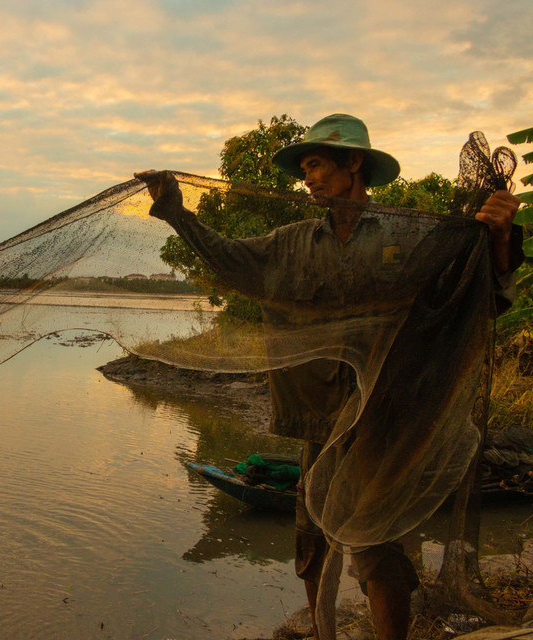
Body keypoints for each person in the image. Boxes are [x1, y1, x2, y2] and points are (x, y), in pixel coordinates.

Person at [136, 113, 521, 640]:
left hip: (387, 420)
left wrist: (498, 242)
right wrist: (176, 212)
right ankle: (322, 634)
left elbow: (477, 301)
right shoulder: (291, 243)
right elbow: (231, 261)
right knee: (312, 543)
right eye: (305, 169)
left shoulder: (410, 235)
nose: (308, 178)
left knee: (379, 550)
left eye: (316, 165)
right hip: (320, 418)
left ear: (353, 164)